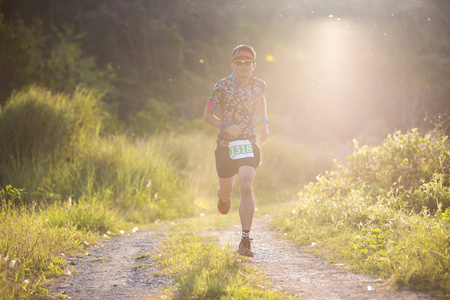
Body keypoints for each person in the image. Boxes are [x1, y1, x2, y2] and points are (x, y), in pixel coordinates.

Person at [203, 45, 269, 257]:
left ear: (254, 66)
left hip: (248, 143)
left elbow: (260, 99)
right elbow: (207, 115)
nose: (243, 66)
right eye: (239, 63)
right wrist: (225, 126)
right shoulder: (221, 86)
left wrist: (264, 122)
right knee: (226, 191)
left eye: (247, 63)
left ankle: (245, 239)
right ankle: (223, 199)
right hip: (226, 145)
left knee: (247, 184)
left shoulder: (259, 85)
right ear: (233, 65)